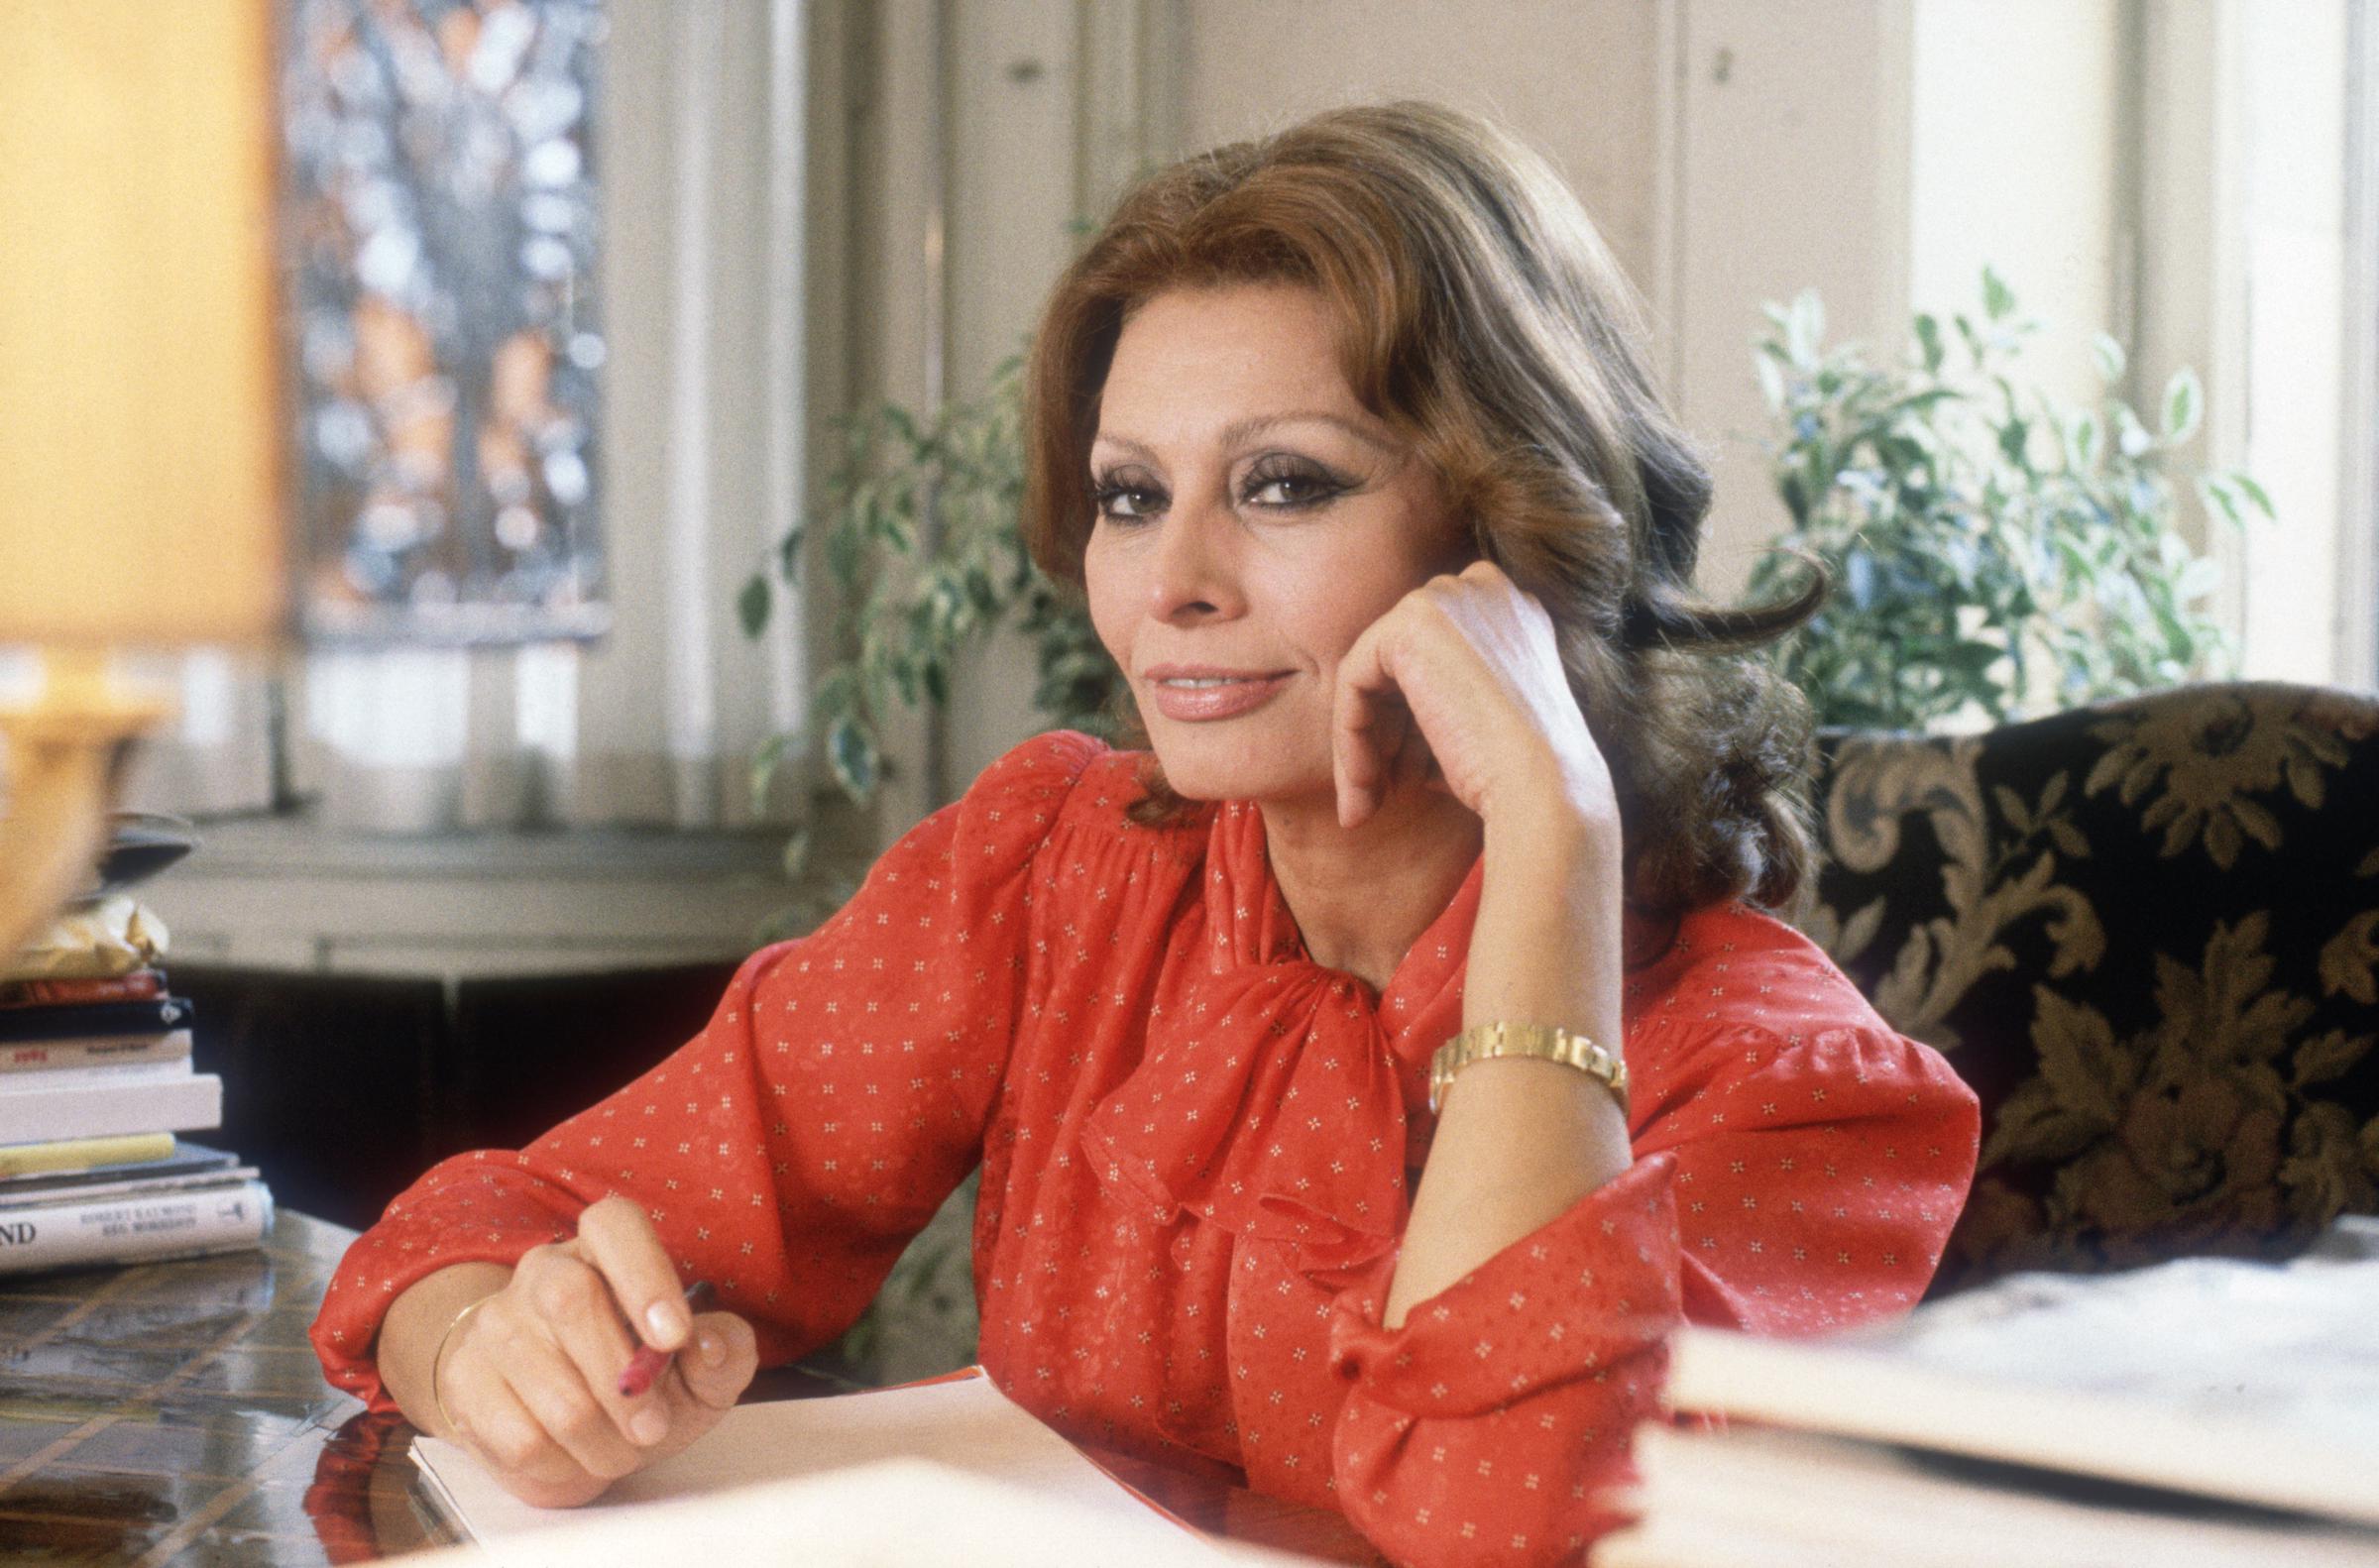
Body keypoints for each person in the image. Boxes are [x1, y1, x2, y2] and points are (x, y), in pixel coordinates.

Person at [312, 100, 1980, 1565]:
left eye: (1283, 485)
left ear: (1515, 526)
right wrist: (494, 1355)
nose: (1170, 581)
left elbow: (1506, 1523)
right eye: (1128, 493)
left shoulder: (1800, 1100)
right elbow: (495, 1224)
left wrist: (1549, 831)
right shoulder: (1059, 867)